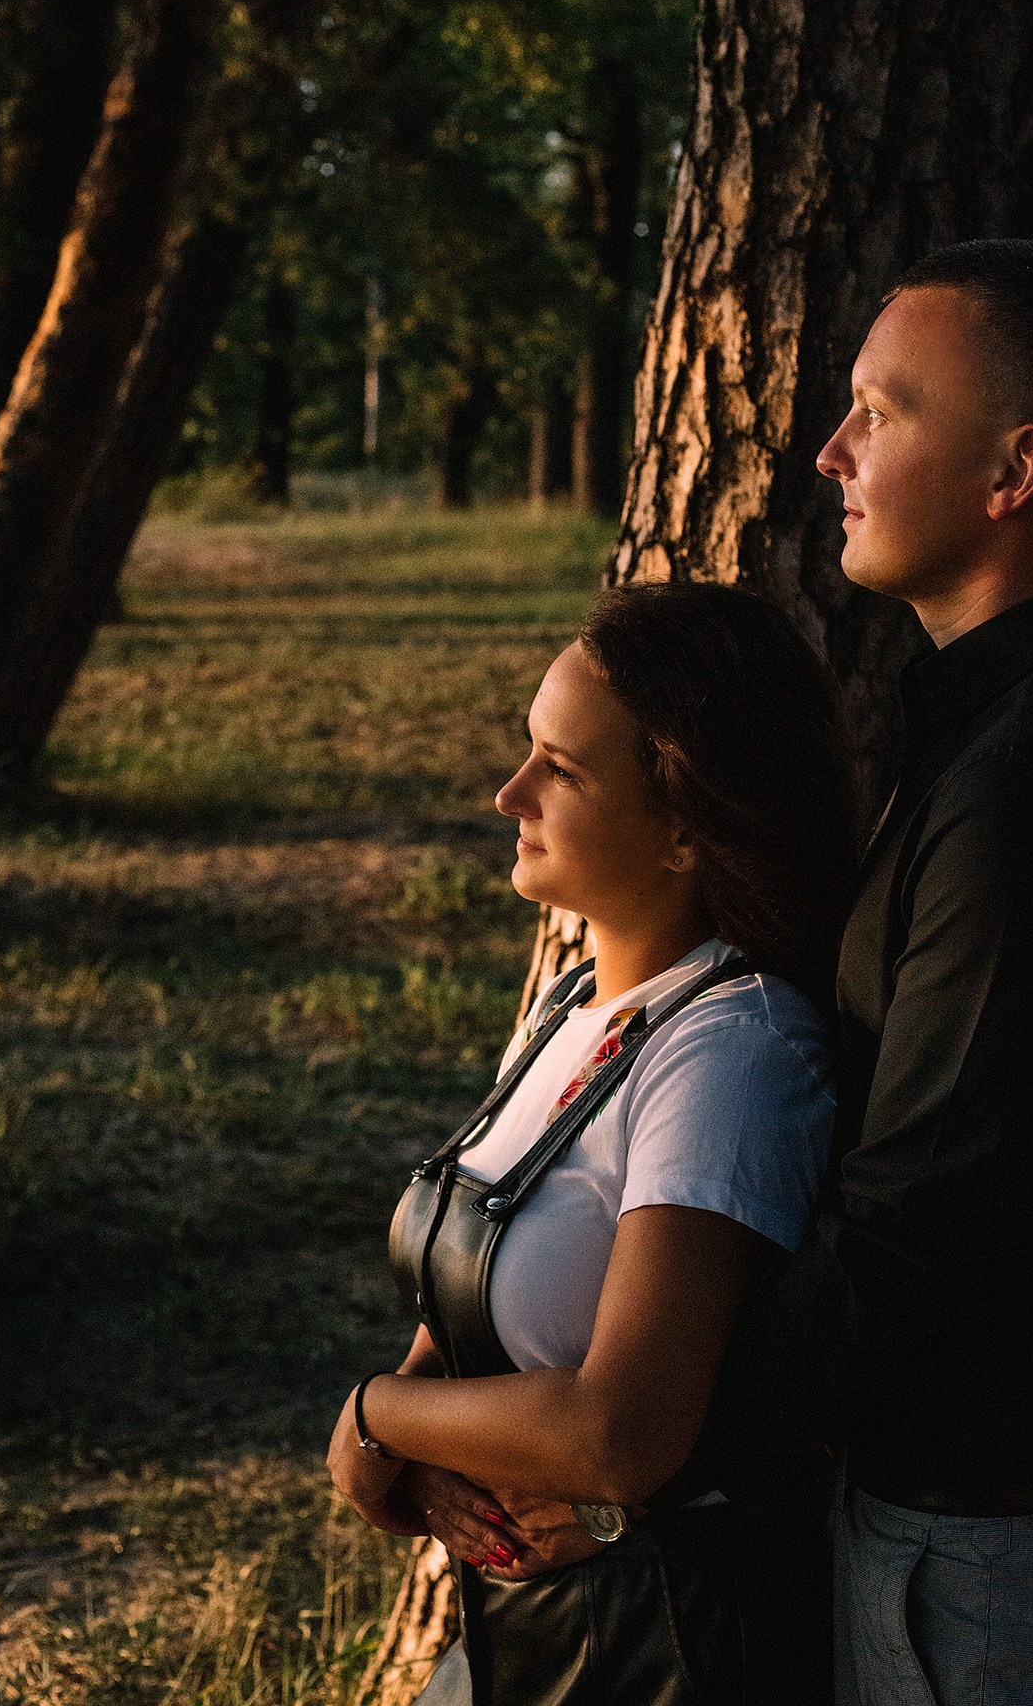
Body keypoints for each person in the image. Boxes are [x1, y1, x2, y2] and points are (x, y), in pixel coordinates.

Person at [723, 238, 1033, 1705]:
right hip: (989, 1523)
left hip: (996, 1564)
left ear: (1014, 471)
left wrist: (641, 1452)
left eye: (880, 410)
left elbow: (922, 1215)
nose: (828, 451)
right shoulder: (1023, 723)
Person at [328, 581, 856, 1704]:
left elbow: (620, 1434)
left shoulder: (731, 1054)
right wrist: (422, 1433)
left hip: (658, 1650)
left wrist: (375, 1416)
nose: (508, 792)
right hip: (523, 1629)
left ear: (685, 830)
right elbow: (486, 1290)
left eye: (560, 771)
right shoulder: (571, 1006)